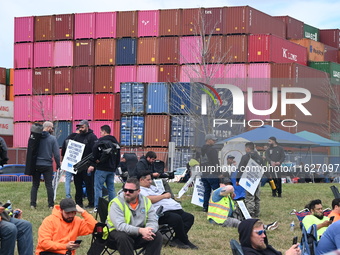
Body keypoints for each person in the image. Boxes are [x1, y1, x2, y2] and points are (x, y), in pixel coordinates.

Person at [87, 178, 163, 255]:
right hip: (115, 235)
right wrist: (140, 230)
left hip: (138, 235)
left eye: (130, 191)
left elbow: (152, 219)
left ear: (138, 191)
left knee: (157, 235)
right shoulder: (116, 203)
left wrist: (149, 231)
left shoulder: (146, 201)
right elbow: (120, 226)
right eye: (125, 190)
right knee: (123, 237)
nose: (127, 193)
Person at [139, 171, 198, 249]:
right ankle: (184, 240)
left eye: (151, 180)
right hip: (159, 213)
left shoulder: (152, 187)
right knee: (176, 218)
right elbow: (148, 199)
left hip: (173, 208)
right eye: (148, 180)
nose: (151, 182)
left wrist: (165, 195)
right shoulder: (139, 190)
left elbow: (167, 194)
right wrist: (163, 196)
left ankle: (177, 239)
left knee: (189, 217)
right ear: (141, 180)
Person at [207, 178, 278, 230]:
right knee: (237, 223)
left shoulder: (227, 196)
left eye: (228, 184)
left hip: (225, 217)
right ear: (221, 185)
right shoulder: (216, 192)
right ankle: (260, 228)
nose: (227, 186)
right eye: (225, 185)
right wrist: (231, 192)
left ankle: (264, 226)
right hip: (218, 220)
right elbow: (230, 188)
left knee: (245, 219)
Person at [88, 125, 120, 210]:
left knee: (98, 188)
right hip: (111, 169)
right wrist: (114, 167)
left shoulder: (100, 142)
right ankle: (113, 206)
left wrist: (94, 163)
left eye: (101, 132)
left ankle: (98, 207)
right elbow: (118, 157)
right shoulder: (115, 142)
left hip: (101, 169)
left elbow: (94, 154)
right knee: (111, 188)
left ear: (104, 132)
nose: (100, 133)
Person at [30, 121, 61, 209]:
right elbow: (56, 154)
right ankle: (51, 205)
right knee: (49, 185)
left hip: (36, 164)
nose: (52, 129)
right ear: (48, 128)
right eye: (51, 127)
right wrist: (58, 164)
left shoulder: (36, 137)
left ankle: (33, 204)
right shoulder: (52, 139)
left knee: (35, 185)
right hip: (47, 165)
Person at [73, 120, 98, 208]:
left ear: (87, 127)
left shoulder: (92, 137)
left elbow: (95, 153)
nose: (80, 128)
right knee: (77, 185)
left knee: (89, 185)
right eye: (79, 127)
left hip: (88, 166)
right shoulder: (77, 137)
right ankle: (78, 203)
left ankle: (91, 203)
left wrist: (92, 165)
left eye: (82, 127)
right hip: (78, 165)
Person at [237, 142, 264, 218]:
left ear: (248, 148)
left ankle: (250, 213)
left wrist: (237, 179)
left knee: (249, 197)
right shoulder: (259, 157)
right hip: (257, 179)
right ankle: (257, 212)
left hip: (248, 179)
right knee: (257, 197)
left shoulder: (245, 157)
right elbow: (263, 168)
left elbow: (240, 169)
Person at [201, 134, 220, 212]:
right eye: (213, 140)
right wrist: (219, 173)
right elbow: (216, 162)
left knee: (207, 191)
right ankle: (217, 207)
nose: (214, 141)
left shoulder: (201, 150)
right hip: (212, 173)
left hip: (204, 173)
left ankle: (205, 207)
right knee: (217, 191)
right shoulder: (212, 150)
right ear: (208, 140)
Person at [61, 127, 80, 199]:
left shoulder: (67, 138)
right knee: (78, 181)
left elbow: (62, 151)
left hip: (68, 161)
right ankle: (79, 195)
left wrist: (63, 160)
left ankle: (68, 196)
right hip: (77, 162)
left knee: (68, 180)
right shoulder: (80, 138)